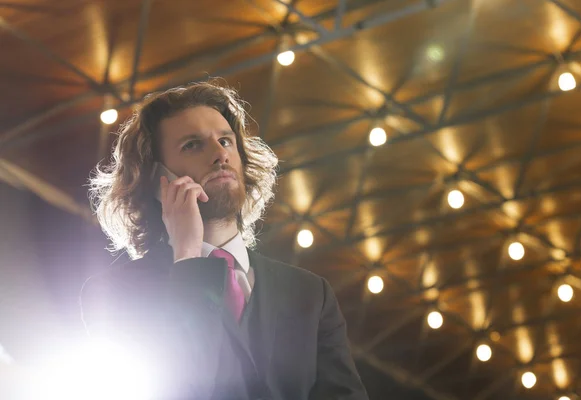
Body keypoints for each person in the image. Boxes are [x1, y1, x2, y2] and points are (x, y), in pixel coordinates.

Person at [83, 80, 369, 400]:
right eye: (192, 145)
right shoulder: (115, 294)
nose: (220, 154)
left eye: (225, 141)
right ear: (156, 181)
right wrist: (188, 258)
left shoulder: (312, 293)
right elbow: (183, 388)